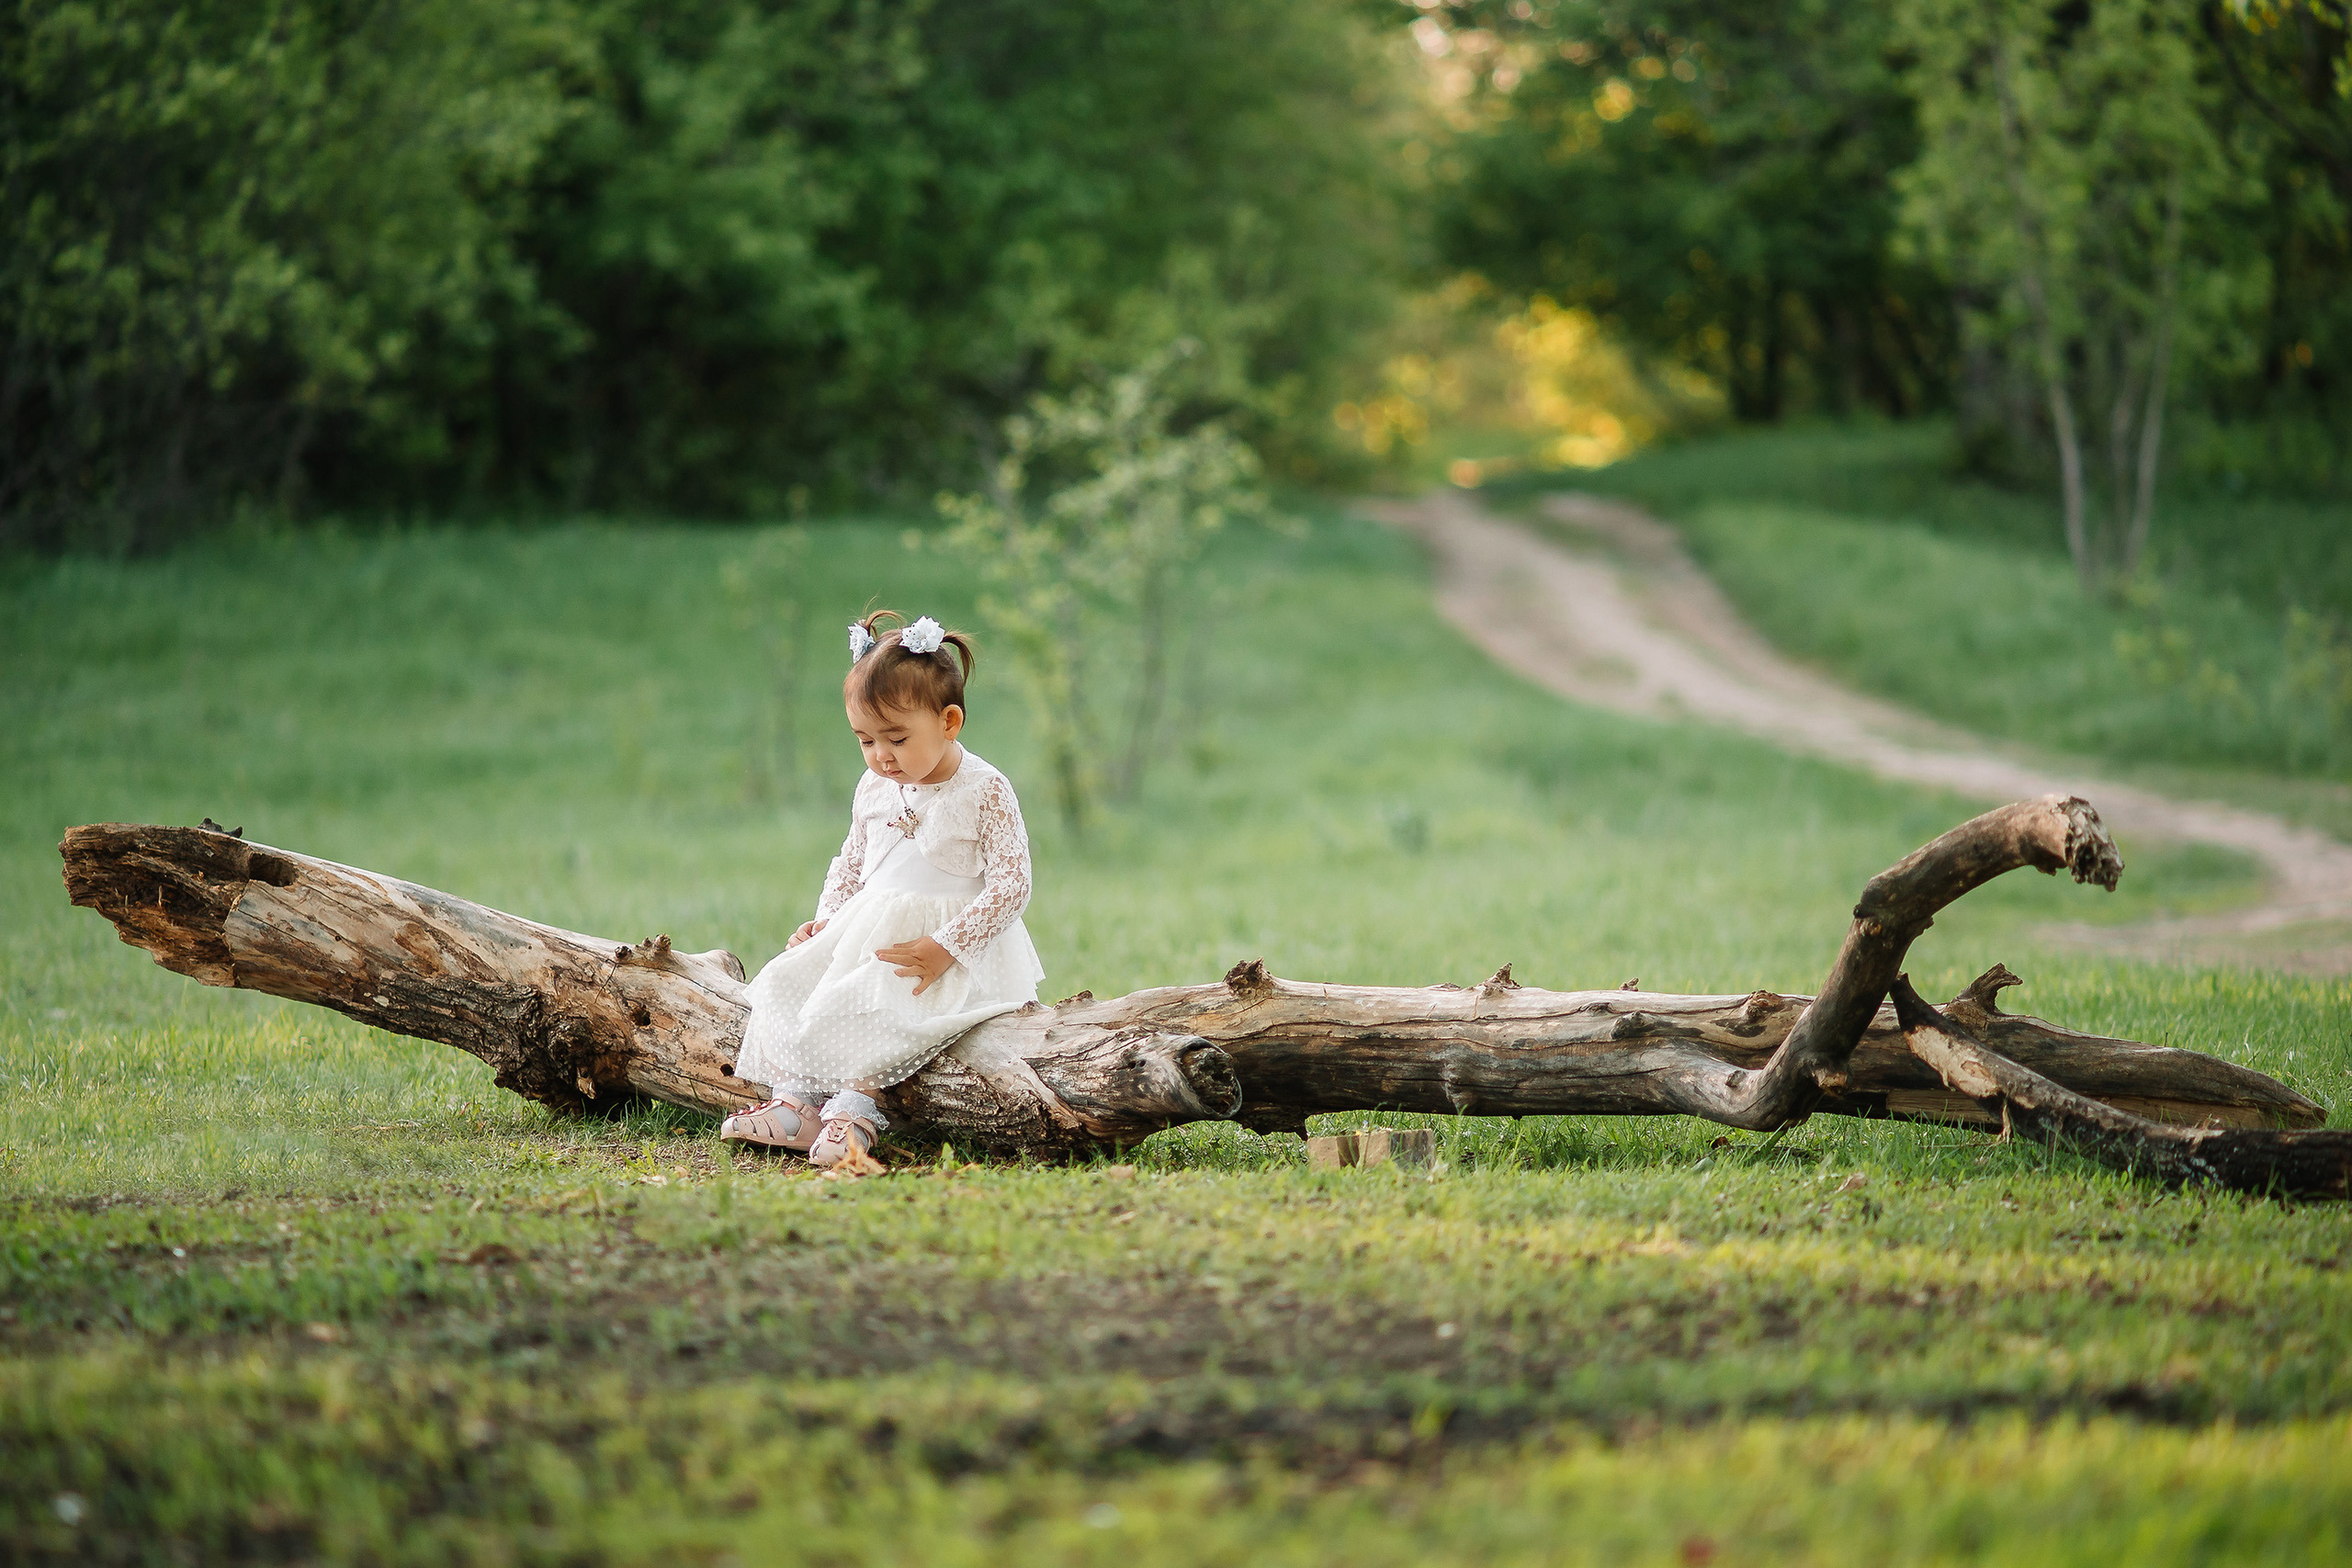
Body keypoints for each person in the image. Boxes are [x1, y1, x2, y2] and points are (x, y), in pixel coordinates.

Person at [721, 610, 1044, 1167]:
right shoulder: (874, 786)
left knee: (873, 999)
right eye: (865, 741)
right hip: (868, 925)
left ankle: (855, 1111)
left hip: (943, 948)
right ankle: (796, 1104)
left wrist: (947, 946)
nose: (881, 756)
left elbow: (1013, 885)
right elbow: (850, 861)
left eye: (896, 738)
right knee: (784, 982)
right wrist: (825, 920)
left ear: (949, 722)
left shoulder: (984, 789)